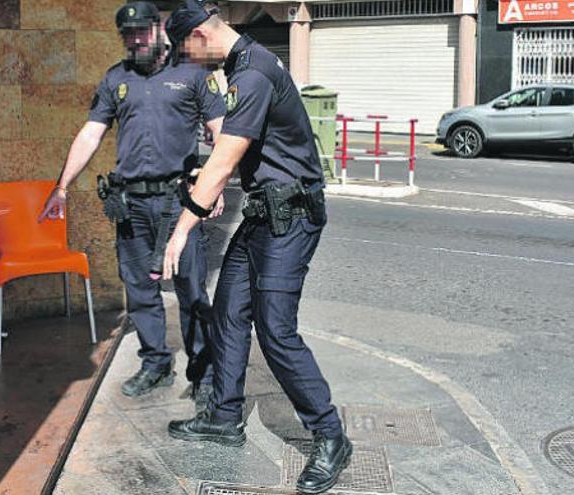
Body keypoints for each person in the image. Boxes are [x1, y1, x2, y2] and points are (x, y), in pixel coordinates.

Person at [159, 2, 352, 493]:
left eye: (185, 50)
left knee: (275, 330)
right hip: (265, 213)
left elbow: (225, 160)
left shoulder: (255, 72)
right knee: (228, 312)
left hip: (292, 217)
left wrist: (183, 227)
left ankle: (329, 434)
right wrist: (216, 175)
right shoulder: (244, 67)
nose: (187, 61)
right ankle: (225, 417)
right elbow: (244, 148)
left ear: (201, 35)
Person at [38, 1, 226, 410]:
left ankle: (205, 371)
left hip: (179, 202)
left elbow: (222, 133)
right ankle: (155, 362)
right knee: (139, 289)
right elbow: (91, 133)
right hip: (131, 203)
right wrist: (62, 186)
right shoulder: (115, 79)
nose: (135, 40)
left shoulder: (193, 73)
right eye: (127, 35)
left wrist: (213, 185)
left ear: (159, 30)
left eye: (141, 32)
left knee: (191, 288)